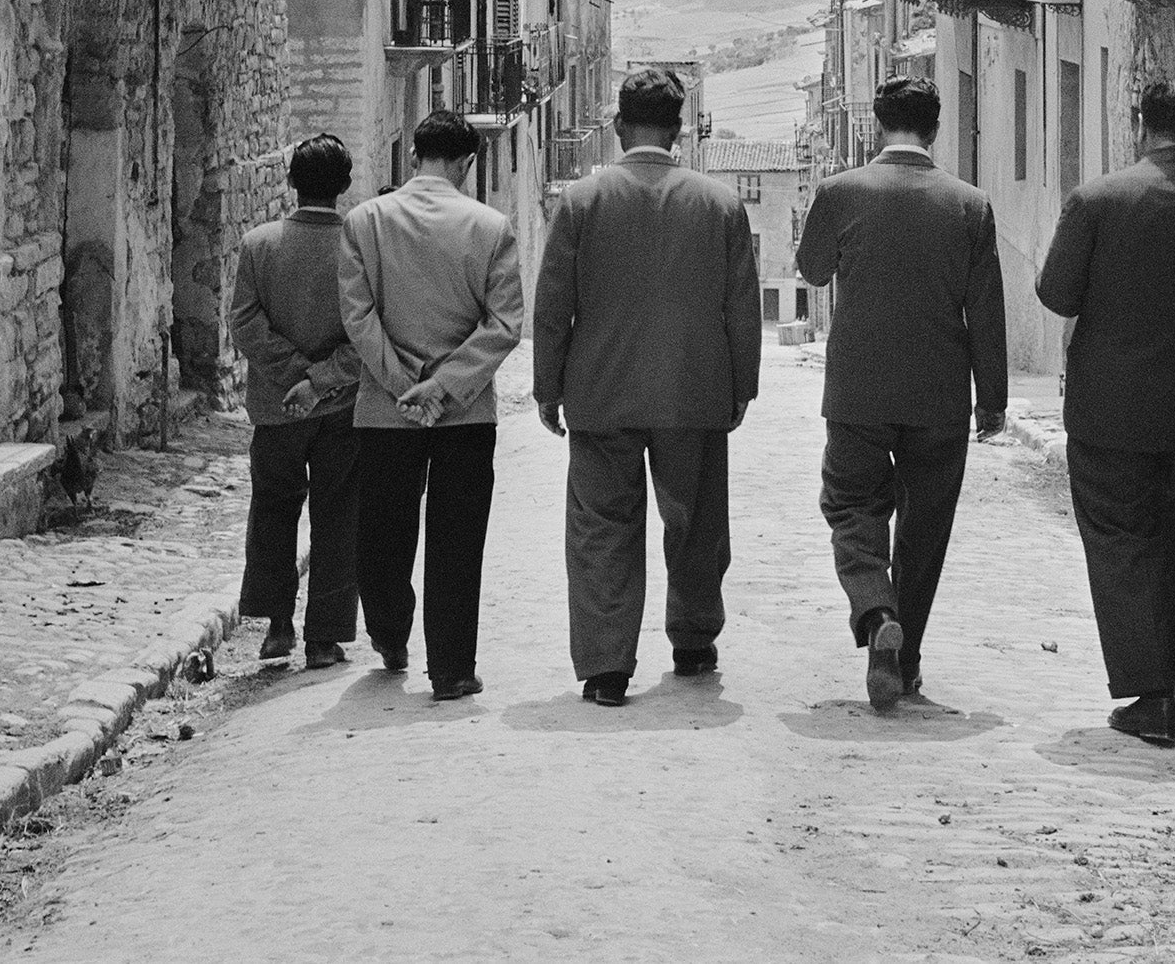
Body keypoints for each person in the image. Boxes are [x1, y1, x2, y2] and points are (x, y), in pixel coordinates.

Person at [1034, 79, 1175, 748]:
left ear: (1141, 124)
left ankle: (1150, 689)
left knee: (1118, 541)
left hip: (1109, 409)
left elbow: (1056, 294)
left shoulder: (1096, 202)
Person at [534, 68, 761, 707]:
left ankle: (607, 668)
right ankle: (692, 642)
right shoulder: (719, 203)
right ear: (679, 127)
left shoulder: (581, 201)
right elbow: (741, 305)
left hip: (600, 394)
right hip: (694, 392)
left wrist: (547, 387)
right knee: (695, 521)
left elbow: (554, 304)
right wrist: (741, 385)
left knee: (602, 525)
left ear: (616, 126)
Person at [796, 74, 1007, 712]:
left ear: (877, 126)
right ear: (936, 128)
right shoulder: (970, 205)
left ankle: (873, 609)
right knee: (925, 528)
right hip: (939, 396)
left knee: (852, 507)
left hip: (858, 392)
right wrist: (990, 399)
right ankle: (904, 661)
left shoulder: (839, 192)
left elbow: (810, 269)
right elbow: (986, 310)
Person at [337, 110, 523, 703]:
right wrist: (442, 387)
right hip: (465, 414)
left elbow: (357, 316)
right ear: (467, 163)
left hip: (386, 411)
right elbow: (504, 325)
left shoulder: (364, 222)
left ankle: (390, 636)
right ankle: (451, 670)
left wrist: (402, 384)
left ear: (414, 155)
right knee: (457, 540)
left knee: (383, 532)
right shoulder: (491, 227)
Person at [229, 132, 365, 671]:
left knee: (273, 510)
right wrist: (320, 381)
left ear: (290, 181)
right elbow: (367, 335)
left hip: (275, 407)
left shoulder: (258, 244)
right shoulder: (360, 248)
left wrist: (292, 380)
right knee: (338, 515)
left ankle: (277, 626)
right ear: (345, 186)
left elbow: (243, 322)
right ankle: (324, 637)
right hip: (341, 408)